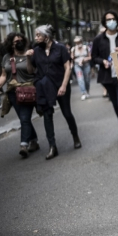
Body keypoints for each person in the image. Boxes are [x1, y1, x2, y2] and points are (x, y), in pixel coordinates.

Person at [31, 24, 81, 159]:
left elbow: (67, 68)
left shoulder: (60, 48)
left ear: (46, 37)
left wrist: (64, 86)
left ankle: (75, 136)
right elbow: (31, 70)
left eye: (38, 35)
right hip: (45, 88)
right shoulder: (36, 51)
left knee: (67, 113)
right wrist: (27, 57)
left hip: (61, 85)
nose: (36, 37)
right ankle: (52, 146)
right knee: (47, 116)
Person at [0, 33, 40, 157]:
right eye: (15, 41)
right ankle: (33, 141)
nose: (18, 42)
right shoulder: (7, 57)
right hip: (13, 92)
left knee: (24, 118)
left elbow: (32, 71)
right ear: (11, 44)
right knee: (24, 119)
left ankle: (24, 144)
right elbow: (4, 75)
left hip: (28, 90)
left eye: (20, 40)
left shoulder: (30, 53)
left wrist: (28, 58)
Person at [91, 10, 118, 144]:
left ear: (117, 20)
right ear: (104, 22)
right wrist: (102, 61)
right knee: (115, 103)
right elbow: (94, 57)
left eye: (113, 19)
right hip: (107, 77)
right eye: (108, 19)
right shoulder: (98, 39)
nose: (111, 21)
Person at [71, 36, 91, 100]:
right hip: (77, 66)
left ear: (81, 41)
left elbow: (90, 57)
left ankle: (87, 91)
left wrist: (84, 60)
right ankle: (83, 93)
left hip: (86, 65)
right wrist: (74, 59)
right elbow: (72, 58)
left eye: (79, 42)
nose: (78, 43)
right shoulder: (73, 49)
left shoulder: (86, 48)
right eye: (76, 42)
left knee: (87, 79)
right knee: (80, 79)